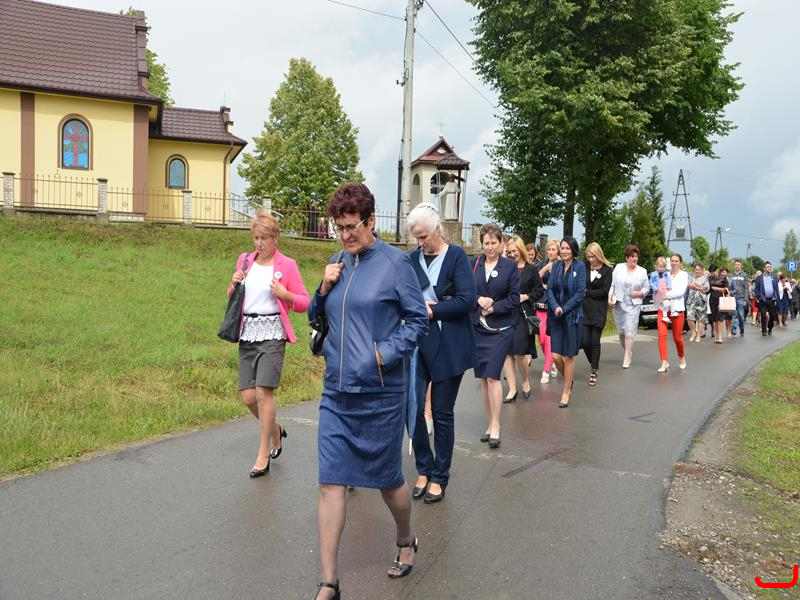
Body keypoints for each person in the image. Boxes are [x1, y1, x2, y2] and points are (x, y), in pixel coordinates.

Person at [307, 183, 428, 598]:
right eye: (338, 228)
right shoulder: (337, 262)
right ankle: (328, 582)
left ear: (371, 220)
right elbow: (315, 315)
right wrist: (322, 289)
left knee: (388, 482)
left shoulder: (396, 265)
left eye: (351, 226)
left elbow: (418, 321)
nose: (345, 235)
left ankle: (406, 537)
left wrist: (382, 354)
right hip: (336, 393)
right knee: (330, 483)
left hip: (380, 395)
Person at [227, 210, 310, 478]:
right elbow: (232, 297)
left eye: (264, 238)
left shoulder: (287, 265)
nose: (259, 243)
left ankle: (263, 454)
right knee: (248, 397)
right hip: (248, 333)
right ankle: (274, 429)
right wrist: (233, 284)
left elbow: (305, 302)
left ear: (275, 238)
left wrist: (285, 294)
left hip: (273, 333)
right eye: (256, 238)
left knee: (264, 393)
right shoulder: (245, 261)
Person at [407, 203, 477, 505]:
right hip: (417, 344)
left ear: (437, 230)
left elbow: (467, 300)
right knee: (412, 408)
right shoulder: (411, 260)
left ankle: (440, 475)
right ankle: (424, 467)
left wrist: (432, 310)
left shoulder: (457, 256)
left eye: (424, 236)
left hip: (450, 346)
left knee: (442, 411)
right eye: (416, 237)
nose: (420, 242)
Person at [471, 223, 520, 449]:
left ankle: (497, 425)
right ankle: (489, 423)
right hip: (478, 328)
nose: (489, 247)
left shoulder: (509, 267)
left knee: (493, 376)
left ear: (501, 243)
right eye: (486, 243)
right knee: (483, 378)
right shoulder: (474, 264)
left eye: (493, 243)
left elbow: (514, 298)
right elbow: (465, 292)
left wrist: (494, 308)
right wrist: (478, 300)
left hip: (501, 329)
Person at [502, 236, 543, 401]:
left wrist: (526, 296)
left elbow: (539, 290)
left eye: (515, 251)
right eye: (509, 252)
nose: (512, 254)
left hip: (523, 314)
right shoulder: (505, 268)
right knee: (506, 353)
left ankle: (525, 381)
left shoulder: (531, 269)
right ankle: (512, 389)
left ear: (521, 250)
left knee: (519, 352)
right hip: (505, 314)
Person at [546, 236, 586, 407]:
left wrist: (564, 308)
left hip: (572, 317)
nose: (564, 251)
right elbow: (549, 289)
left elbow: (580, 293)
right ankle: (568, 380)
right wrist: (555, 306)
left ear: (573, 250)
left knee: (568, 355)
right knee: (556, 356)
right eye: (562, 248)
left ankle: (566, 391)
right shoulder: (556, 266)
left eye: (567, 248)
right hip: (556, 315)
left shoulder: (580, 267)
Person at [609, 244, 650, 368]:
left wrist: (639, 293)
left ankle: (627, 356)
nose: (634, 258)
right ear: (627, 258)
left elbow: (647, 287)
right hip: (619, 303)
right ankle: (628, 351)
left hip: (633, 305)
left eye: (636, 256)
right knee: (621, 331)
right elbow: (612, 285)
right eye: (632, 256)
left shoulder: (642, 271)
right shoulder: (618, 267)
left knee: (629, 331)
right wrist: (610, 298)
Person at [581, 242, 613, 386]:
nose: (591, 260)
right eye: (588, 257)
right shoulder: (584, 267)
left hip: (599, 310)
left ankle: (594, 370)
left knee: (595, 341)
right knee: (584, 341)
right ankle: (593, 362)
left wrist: (587, 292)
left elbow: (604, 291)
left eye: (593, 257)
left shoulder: (607, 270)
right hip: (584, 310)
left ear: (599, 255)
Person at [655, 254, 689, 371]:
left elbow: (681, 291)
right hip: (664, 308)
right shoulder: (665, 274)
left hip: (677, 309)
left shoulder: (684, 275)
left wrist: (666, 294)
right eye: (672, 261)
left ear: (680, 263)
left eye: (676, 261)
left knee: (677, 337)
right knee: (661, 335)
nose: (674, 263)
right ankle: (664, 362)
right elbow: (658, 287)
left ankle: (681, 356)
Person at [536, 240, 560, 382]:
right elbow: (534, 280)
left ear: (558, 251)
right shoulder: (541, 264)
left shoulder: (561, 265)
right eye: (549, 249)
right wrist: (545, 269)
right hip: (540, 304)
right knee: (541, 339)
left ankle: (546, 371)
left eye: (553, 250)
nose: (551, 252)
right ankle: (552, 362)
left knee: (549, 339)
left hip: (553, 305)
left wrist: (548, 286)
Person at [686, 263, 710, 342]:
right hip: (691, 300)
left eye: (699, 270)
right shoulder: (690, 277)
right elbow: (689, 285)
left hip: (701, 301)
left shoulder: (705, 278)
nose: (697, 271)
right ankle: (693, 332)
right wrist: (700, 287)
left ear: (702, 270)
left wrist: (695, 286)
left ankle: (699, 335)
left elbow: (707, 289)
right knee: (689, 317)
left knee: (701, 318)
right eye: (696, 269)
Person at [753, 262, 779, 336]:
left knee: (772, 316)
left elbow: (776, 289)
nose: (769, 268)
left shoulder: (774, 277)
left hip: (772, 299)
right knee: (763, 315)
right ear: (764, 268)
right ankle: (764, 331)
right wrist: (759, 297)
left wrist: (776, 297)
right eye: (768, 267)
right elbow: (756, 289)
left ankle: (770, 328)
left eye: (770, 267)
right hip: (763, 299)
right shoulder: (759, 278)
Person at [649, 257, 674, 324]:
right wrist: (655, 288)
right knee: (662, 305)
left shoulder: (666, 274)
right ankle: (665, 316)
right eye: (660, 267)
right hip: (658, 293)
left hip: (664, 291)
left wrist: (669, 286)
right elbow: (651, 282)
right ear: (656, 267)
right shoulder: (653, 274)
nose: (662, 268)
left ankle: (666, 315)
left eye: (663, 267)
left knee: (667, 303)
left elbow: (668, 280)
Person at [707, 264, 728, 344]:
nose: (713, 274)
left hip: (721, 299)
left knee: (720, 318)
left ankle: (720, 336)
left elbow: (727, 289)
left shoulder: (723, 277)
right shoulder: (709, 278)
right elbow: (708, 289)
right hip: (712, 299)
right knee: (714, 319)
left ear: (717, 270)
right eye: (711, 273)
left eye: (714, 272)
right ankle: (716, 336)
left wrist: (718, 289)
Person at [728, 260, 749, 337]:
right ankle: (733, 330)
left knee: (741, 315)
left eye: (738, 265)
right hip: (732, 297)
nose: (737, 266)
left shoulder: (744, 275)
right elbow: (729, 286)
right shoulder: (731, 275)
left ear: (741, 266)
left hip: (741, 297)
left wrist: (745, 299)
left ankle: (742, 328)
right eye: (736, 264)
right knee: (732, 315)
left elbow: (746, 288)